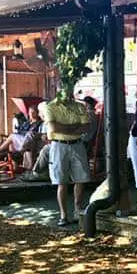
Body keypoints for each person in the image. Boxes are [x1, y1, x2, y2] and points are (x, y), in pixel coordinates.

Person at [40, 94, 90, 226]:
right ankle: (63, 215)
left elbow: (86, 127)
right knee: (61, 181)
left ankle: (77, 210)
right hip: (59, 145)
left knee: (81, 179)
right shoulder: (50, 107)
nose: (68, 93)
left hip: (77, 144)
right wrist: (75, 127)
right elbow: (53, 128)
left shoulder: (80, 106)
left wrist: (63, 127)